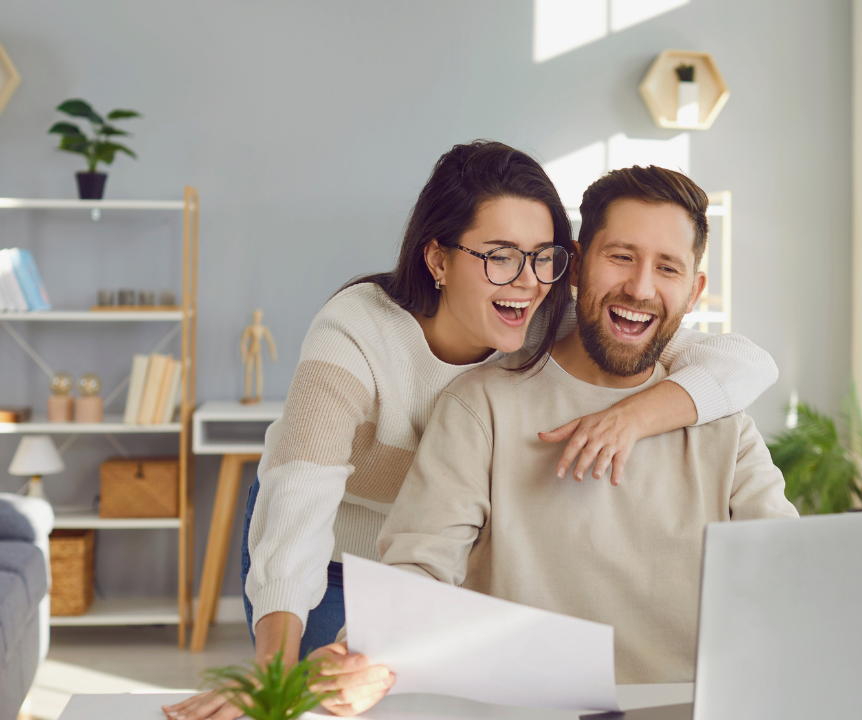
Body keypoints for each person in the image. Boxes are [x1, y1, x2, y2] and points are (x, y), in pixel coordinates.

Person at [164, 143, 778, 720]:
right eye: (498, 255)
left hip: (430, 543)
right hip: (331, 543)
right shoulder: (355, 339)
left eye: (541, 257)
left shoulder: (552, 311)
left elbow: (743, 362)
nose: (525, 279)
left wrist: (632, 417)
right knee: (316, 694)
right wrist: (274, 680)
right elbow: (298, 505)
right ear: (438, 258)